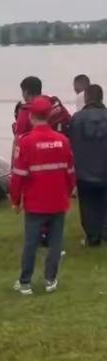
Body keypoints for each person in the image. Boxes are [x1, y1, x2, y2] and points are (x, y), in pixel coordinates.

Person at [11, 97, 76, 295]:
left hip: (35, 203)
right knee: (56, 242)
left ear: (31, 116)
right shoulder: (63, 140)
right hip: (58, 200)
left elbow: (18, 175)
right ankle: (50, 280)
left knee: (31, 242)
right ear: (49, 116)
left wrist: (15, 200)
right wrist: (66, 193)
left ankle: (25, 283)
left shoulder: (26, 141)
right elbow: (71, 173)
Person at [69, 84, 107, 246]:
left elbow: (70, 145)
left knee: (88, 205)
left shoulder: (76, 119)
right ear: (101, 97)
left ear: (86, 98)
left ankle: (92, 237)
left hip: (84, 170)